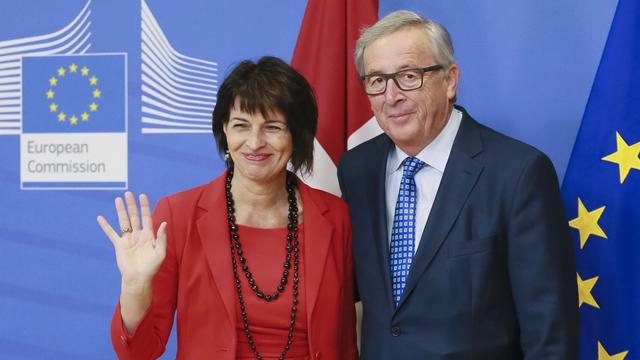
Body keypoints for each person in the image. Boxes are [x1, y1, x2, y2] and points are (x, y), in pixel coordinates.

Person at [337, 10, 579, 359]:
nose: (391, 96)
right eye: (376, 80)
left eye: (408, 76)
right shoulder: (357, 169)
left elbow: (550, 334)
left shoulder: (518, 173)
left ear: (450, 80)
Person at [98, 56, 357, 360]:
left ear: (296, 135)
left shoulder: (335, 217)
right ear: (224, 130)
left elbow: (345, 341)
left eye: (272, 127)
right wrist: (134, 285)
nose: (254, 142)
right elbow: (138, 353)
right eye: (241, 126)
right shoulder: (179, 215)